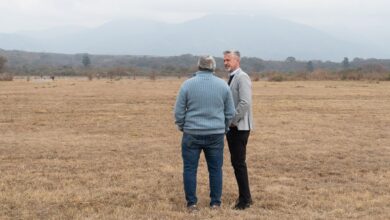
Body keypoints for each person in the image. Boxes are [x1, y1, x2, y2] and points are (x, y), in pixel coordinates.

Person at [174, 55, 235, 212]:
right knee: (215, 169)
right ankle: (215, 203)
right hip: (216, 134)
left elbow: (179, 111)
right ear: (213, 67)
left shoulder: (187, 85)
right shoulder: (223, 86)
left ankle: (192, 204)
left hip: (191, 133)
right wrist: (224, 128)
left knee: (189, 169)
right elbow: (230, 112)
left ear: (198, 66)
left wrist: (183, 126)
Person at [223, 50, 254, 210]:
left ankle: (245, 200)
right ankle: (245, 197)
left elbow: (244, 102)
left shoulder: (242, 77)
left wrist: (233, 121)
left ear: (237, 61)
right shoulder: (232, 77)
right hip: (233, 127)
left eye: (228, 60)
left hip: (239, 128)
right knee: (237, 163)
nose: (225, 63)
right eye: (224, 60)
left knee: (238, 163)